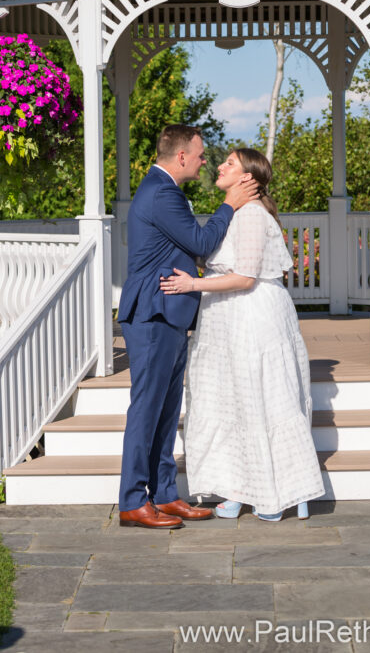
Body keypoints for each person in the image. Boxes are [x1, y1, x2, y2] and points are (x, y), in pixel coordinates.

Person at [161, 148, 325, 521]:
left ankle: (277, 491)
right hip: (228, 316)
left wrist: (191, 284)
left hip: (250, 316)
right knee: (232, 402)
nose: (220, 165)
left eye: (230, 163)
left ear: (248, 177)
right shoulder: (236, 213)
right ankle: (237, 488)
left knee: (259, 400)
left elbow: (247, 276)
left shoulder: (251, 214)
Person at [116, 125, 258, 529]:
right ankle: (131, 501)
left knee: (165, 412)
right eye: (198, 154)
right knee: (146, 411)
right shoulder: (162, 192)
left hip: (170, 314)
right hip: (152, 314)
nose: (203, 161)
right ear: (181, 157)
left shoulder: (164, 191)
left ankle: (164, 495)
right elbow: (200, 241)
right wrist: (230, 203)